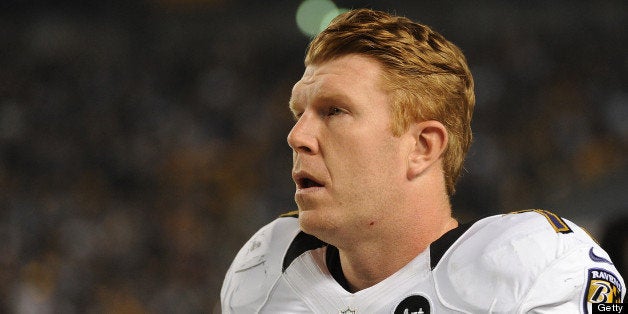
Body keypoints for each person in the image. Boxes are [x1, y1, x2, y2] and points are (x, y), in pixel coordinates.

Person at [221, 8, 624, 313]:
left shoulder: (530, 268)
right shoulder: (263, 271)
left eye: (334, 112)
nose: (297, 137)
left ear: (422, 147)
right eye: (299, 114)